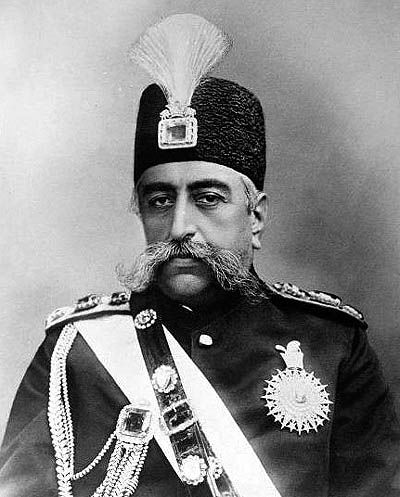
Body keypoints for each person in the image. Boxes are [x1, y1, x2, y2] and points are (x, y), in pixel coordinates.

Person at [0, 13, 399, 497]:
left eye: (208, 198)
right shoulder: (75, 352)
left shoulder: (332, 345)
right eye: (159, 200)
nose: (179, 227)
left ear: (256, 216)